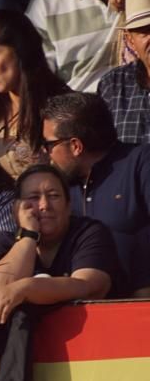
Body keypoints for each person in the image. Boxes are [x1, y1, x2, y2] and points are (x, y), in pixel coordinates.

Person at [0, 163, 121, 332]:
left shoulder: (89, 232)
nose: (44, 205)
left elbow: (88, 287)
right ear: (16, 209)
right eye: (33, 197)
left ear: (68, 205)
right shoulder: (7, 240)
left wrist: (25, 288)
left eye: (54, 196)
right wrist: (29, 235)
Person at [40, 91, 150, 293]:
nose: (46, 153)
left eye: (49, 144)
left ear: (76, 146)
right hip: (78, 305)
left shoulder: (141, 164)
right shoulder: (59, 187)